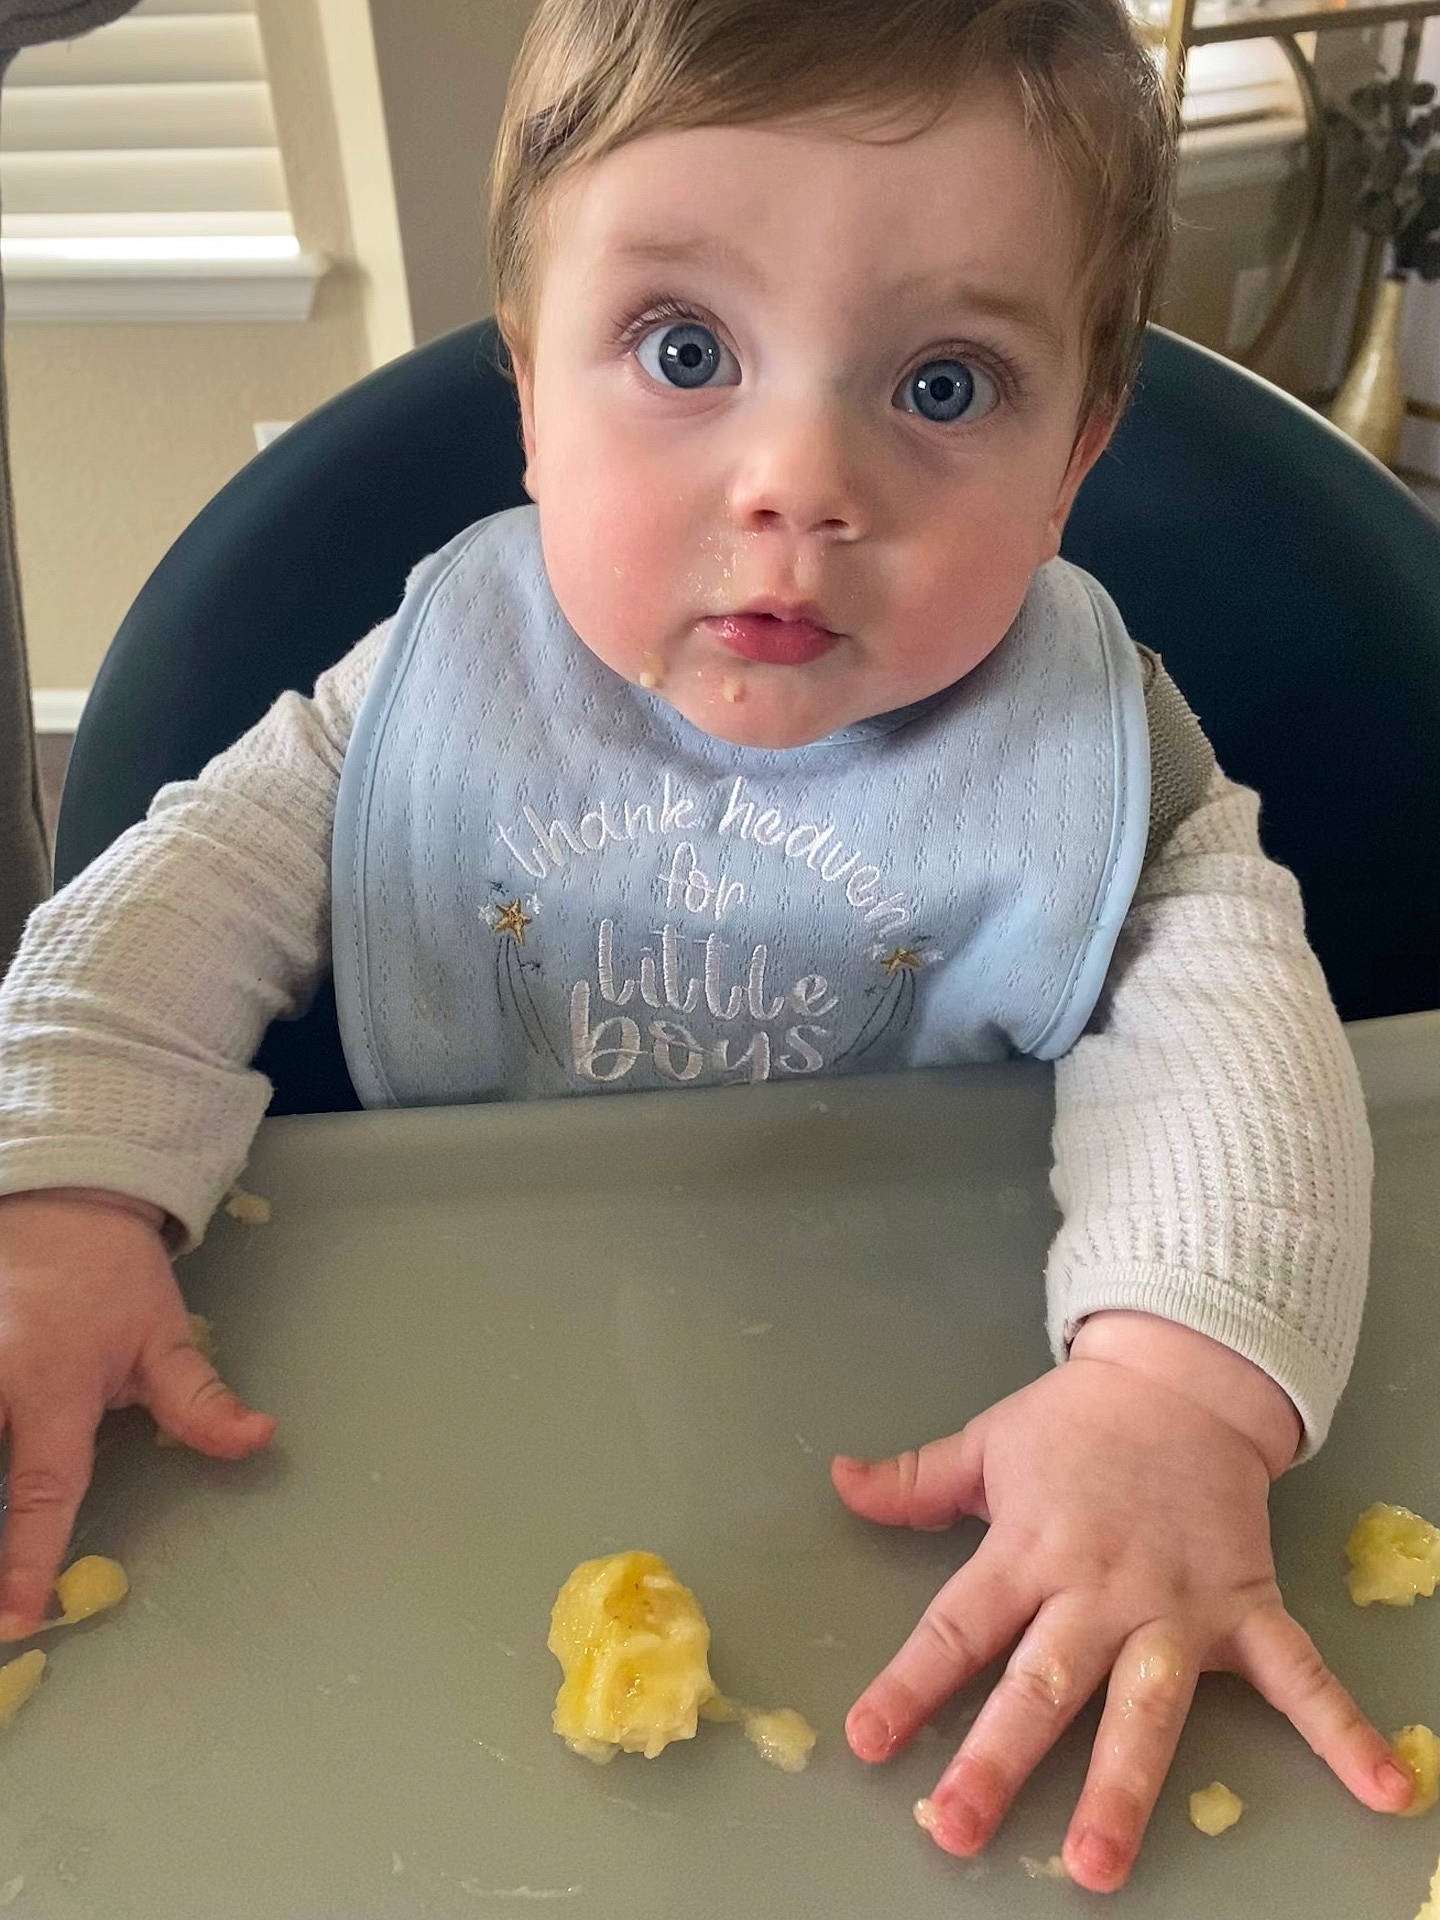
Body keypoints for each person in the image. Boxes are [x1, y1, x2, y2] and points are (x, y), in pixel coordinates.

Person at [0, 0, 1412, 1890]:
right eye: (685, 351)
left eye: (941, 387)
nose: (797, 482)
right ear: (527, 383)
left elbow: (1239, 1038)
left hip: (960, 1405)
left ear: (1077, 451)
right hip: (483, 1433)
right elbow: (163, 912)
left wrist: (1171, 1386)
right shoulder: (432, 697)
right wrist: (62, 1196)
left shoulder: (1087, 758)